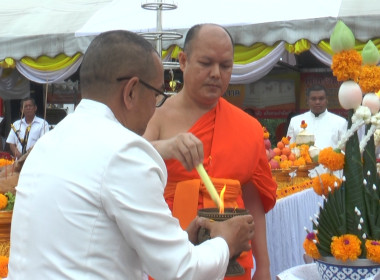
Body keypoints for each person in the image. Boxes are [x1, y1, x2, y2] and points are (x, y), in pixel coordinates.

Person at [7, 30, 255, 280]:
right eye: (156, 95)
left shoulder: (48, 143)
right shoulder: (124, 153)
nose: (155, 107)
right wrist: (226, 242)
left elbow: (93, 247)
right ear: (131, 91)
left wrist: (181, 242)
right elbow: (182, 271)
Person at [144, 24, 277, 280]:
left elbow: (252, 202)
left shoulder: (247, 127)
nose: (216, 74)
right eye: (206, 63)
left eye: (225, 66)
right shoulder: (155, 118)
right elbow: (128, 160)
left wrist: (264, 267)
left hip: (234, 256)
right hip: (174, 254)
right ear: (183, 61)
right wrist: (167, 147)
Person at [286, 85, 347, 149]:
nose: (317, 102)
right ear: (307, 101)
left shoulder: (340, 122)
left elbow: (344, 151)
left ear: (327, 100)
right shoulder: (295, 121)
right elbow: (288, 149)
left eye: (321, 98)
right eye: (313, 99)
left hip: (332, 159)